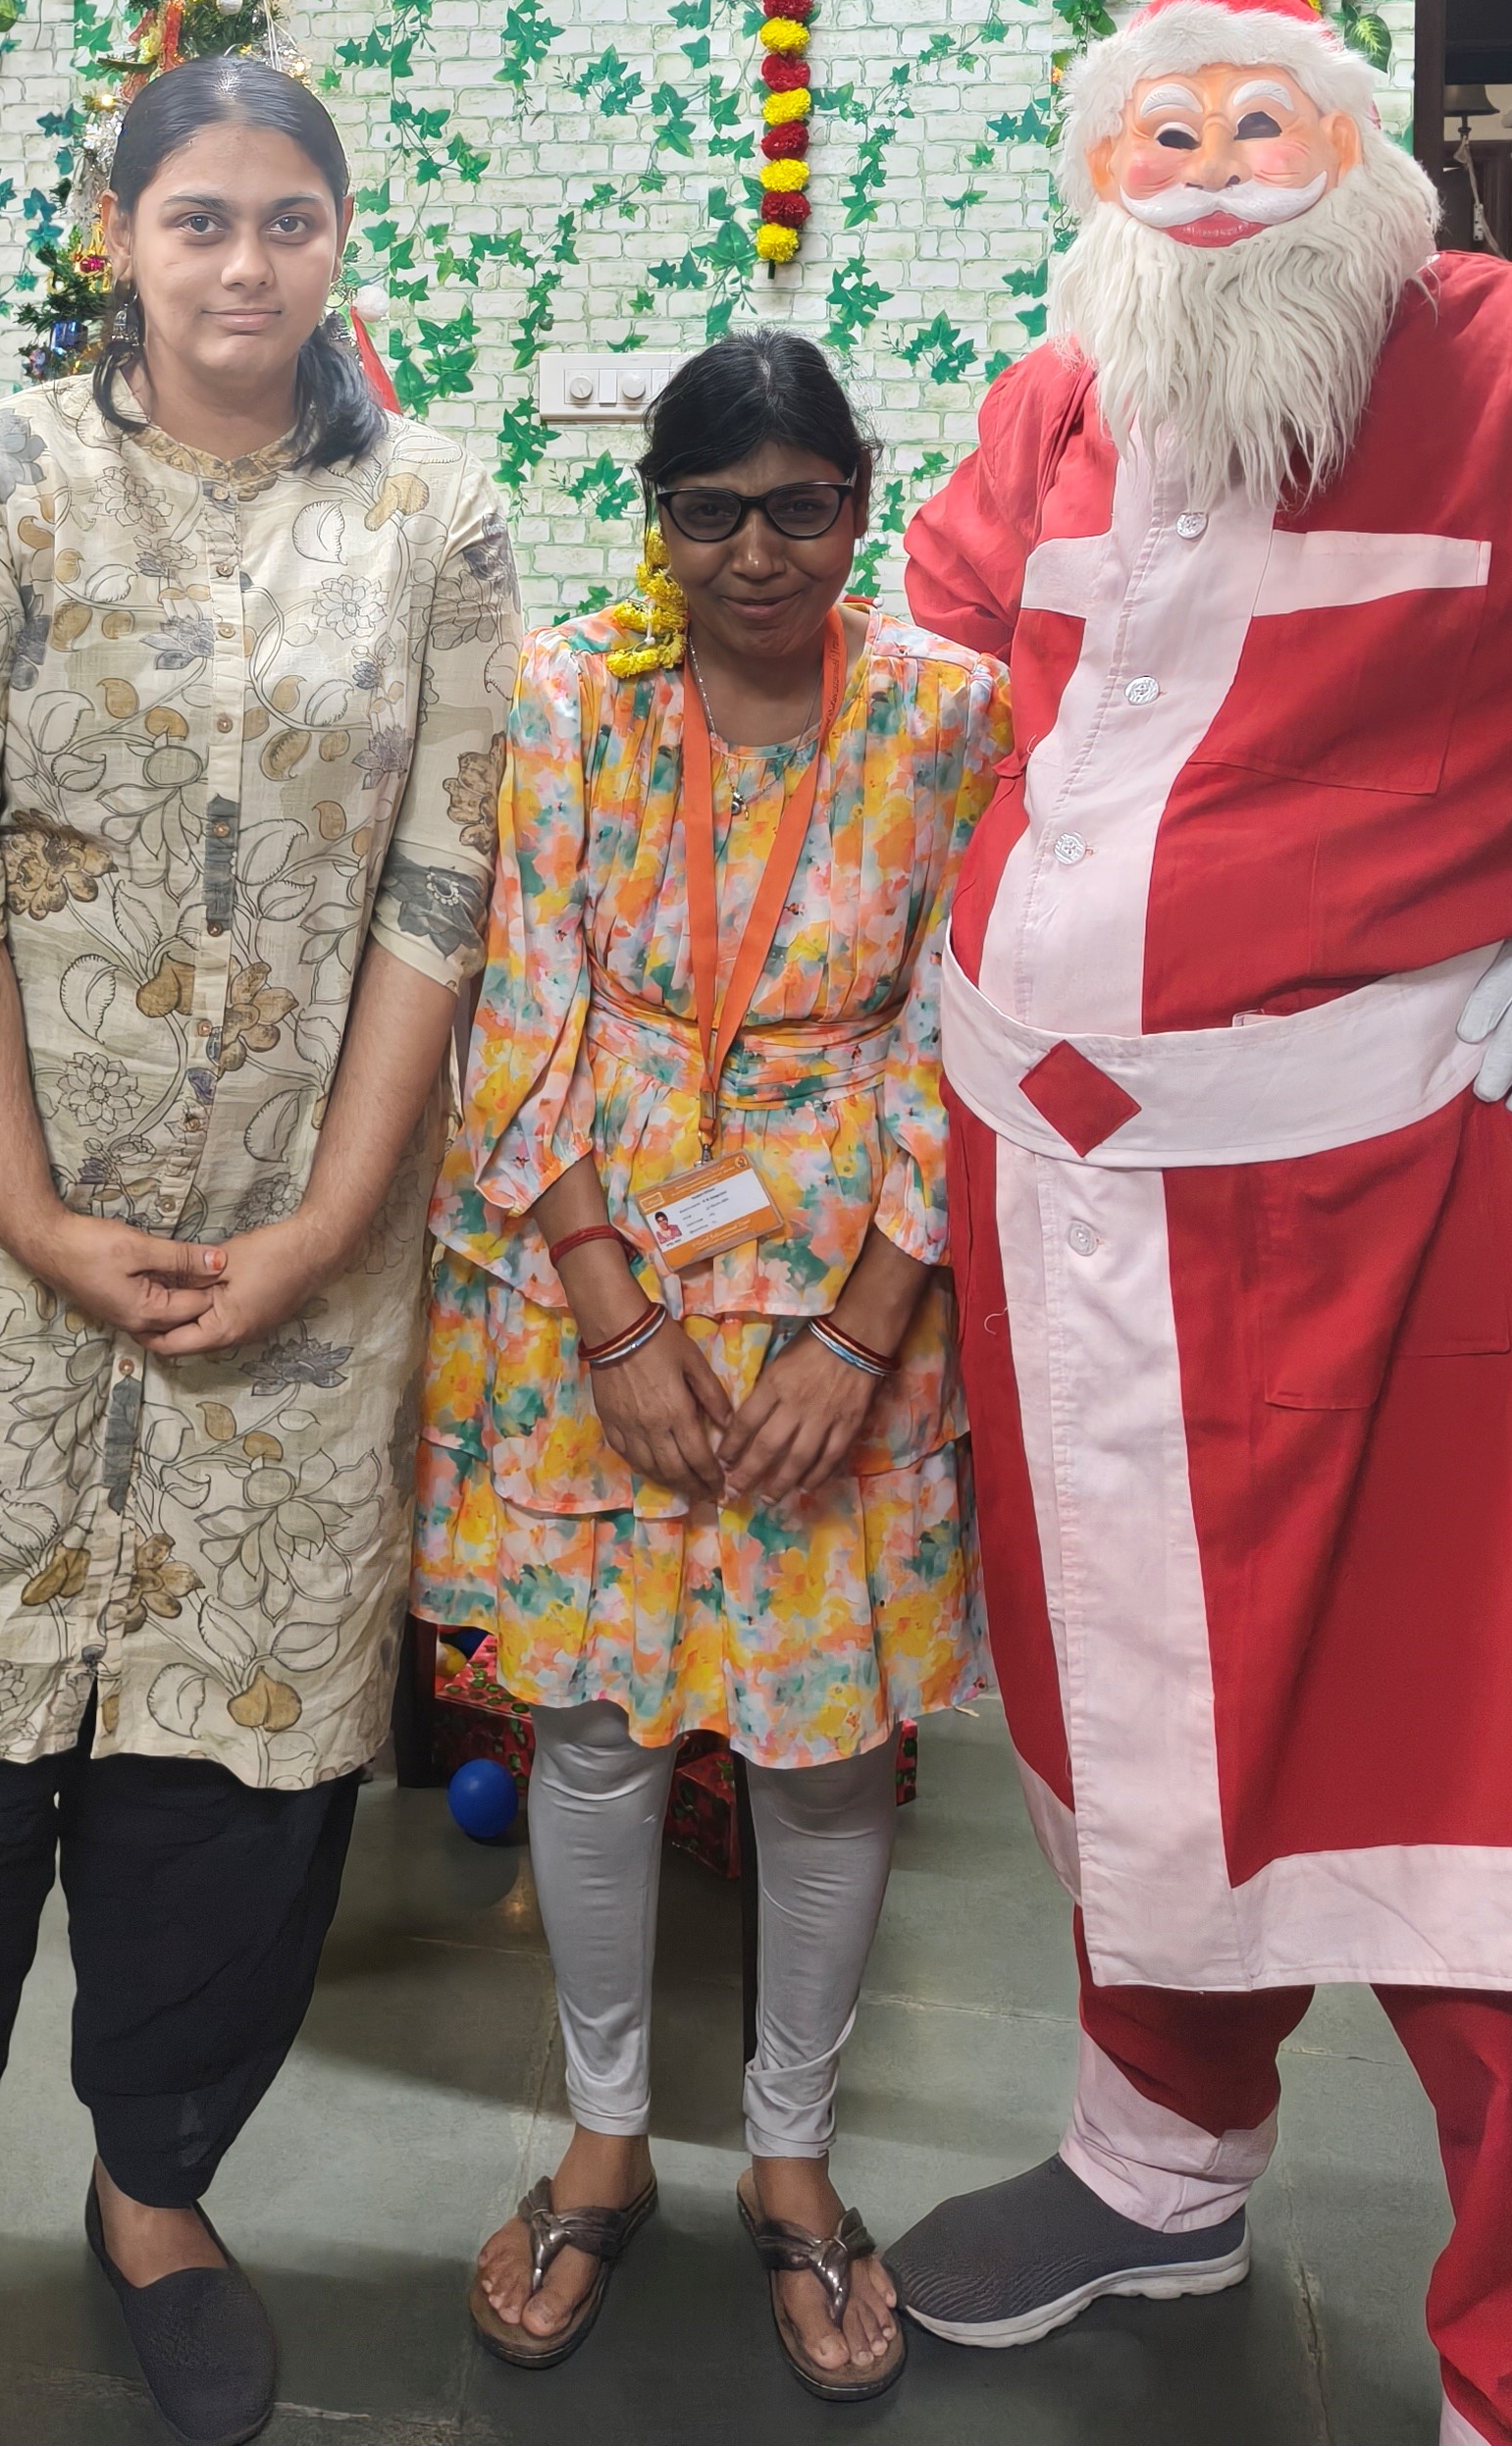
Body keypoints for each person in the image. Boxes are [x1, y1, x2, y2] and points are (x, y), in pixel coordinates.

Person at [879, 0, 1512, 2446]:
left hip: (1408, 1219)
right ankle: (1158, 2158)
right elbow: (932, 667)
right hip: (1061, 1213)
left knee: (1490, 1815)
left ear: (1368, 146)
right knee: (1125, 1728)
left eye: (1256, 127)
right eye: (1156, 138)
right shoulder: (1067, 394)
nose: (1209, 183)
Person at [0, 57, 520, 2446]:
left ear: (343, 238)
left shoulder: (435, 513)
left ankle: (158, 2188)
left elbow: (442, 883)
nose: (245, 263)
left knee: (239, 1777)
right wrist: (33, 1207)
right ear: (121, 233)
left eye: (290, 218)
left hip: (296, 1259)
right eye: (200, 217)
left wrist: (331, 1221)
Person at [418, 329, 1004, 2400]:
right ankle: (602, 2137)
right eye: (709, 512)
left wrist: (865, 1327)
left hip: (856, 1282)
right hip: (599, 1270)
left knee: (822, 1751)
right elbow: (526, 1002)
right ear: (653, 518)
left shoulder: (950, 716)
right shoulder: (575, 700)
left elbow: (969, 1025)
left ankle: (792, 2155)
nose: (757, 554)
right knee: (592, 1732)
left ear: (863, 502)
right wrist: (611, 1309)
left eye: (800, 507)